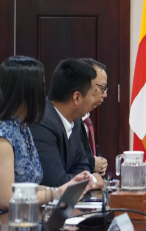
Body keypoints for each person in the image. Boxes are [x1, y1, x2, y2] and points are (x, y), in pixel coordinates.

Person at [0, 56, 93, 211]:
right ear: (28, 91)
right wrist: (57, 193)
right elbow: (6, 199)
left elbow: (28, 187)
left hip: (26, 216)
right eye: (41, 86)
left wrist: (68, 187)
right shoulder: (3, 136)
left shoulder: (22, 128)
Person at [30, 58, 103, 188]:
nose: (94, 100)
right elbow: (55, 183)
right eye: (93, 94)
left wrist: (80, 178)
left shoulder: (75, 121)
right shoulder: (41, 122)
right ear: (77, 98)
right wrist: (93, 180)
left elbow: (83, 165)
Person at [79, 58, 108, 175]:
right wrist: (92, 162)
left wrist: (100, 161)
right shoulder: (71, 118)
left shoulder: (86, 119)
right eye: (102, 88)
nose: (105, 95)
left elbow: (89, 150)